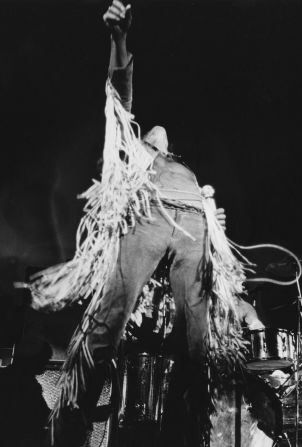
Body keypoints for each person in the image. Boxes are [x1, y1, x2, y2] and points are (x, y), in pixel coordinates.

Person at [21, 2, 246, 446]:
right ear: (143, 140)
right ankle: (72, 425)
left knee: (198, 343)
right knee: (108, 320)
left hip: (194, 225)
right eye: (152, 134)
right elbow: (119, 96)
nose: (161, 134)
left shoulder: (183, 168)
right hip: (148, 213)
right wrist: (119, 39)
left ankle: (188, 430)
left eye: (164, 138)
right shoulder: (135, 153)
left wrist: (214, 226)